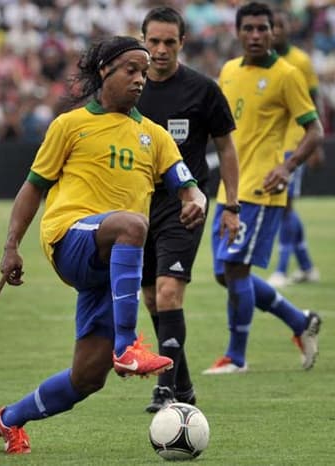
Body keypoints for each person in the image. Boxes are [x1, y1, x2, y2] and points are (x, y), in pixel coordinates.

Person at [0, 36, 207, 454]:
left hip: (108, 262)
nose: (140, 79)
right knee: (132, 224)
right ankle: (127, 346)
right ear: (105, 70)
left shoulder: (154, 135)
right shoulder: (69, 125)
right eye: (131, 69)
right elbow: (33, 188)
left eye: (144, 72)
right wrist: (11, 246)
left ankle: (9, 419)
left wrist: (195, 202)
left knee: (86, 378)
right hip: (68, 237)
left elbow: (189, 187)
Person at [204, 2, 323, 375]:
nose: (255, 35)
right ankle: (299, 321)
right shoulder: (228, 70)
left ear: (274, 32)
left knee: (236, 270)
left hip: (262, 190)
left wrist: (288, 165)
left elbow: (314, 130)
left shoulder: (287, 74)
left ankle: (235, 357)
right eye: (249, 29)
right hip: (230, 191)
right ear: (238, 32)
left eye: (262, 29)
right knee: (225, 273)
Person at [136, 7, 240, 412]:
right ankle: (185, 386)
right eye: (154, 41)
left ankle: (164, 389)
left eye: (169, 42)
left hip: (185, 204)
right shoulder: (129, 87)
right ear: (143, 40)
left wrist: (231, 205)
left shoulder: (202, 89)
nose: (160, 50)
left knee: (168, 293)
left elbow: (226, 148)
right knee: (149, 298)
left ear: (183, 42)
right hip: (138, 206)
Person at [268, 8, 322, 288]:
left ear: (289, 28)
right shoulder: (262, 63)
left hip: (294, 143)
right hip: (271, 145)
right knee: (286, 207)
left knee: (284, 207)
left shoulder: (300, 61)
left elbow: (314, 100)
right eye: (271, 26)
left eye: (280, 25)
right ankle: (307, 266)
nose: (275, 31)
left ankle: (280, 269)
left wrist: (316, 146)